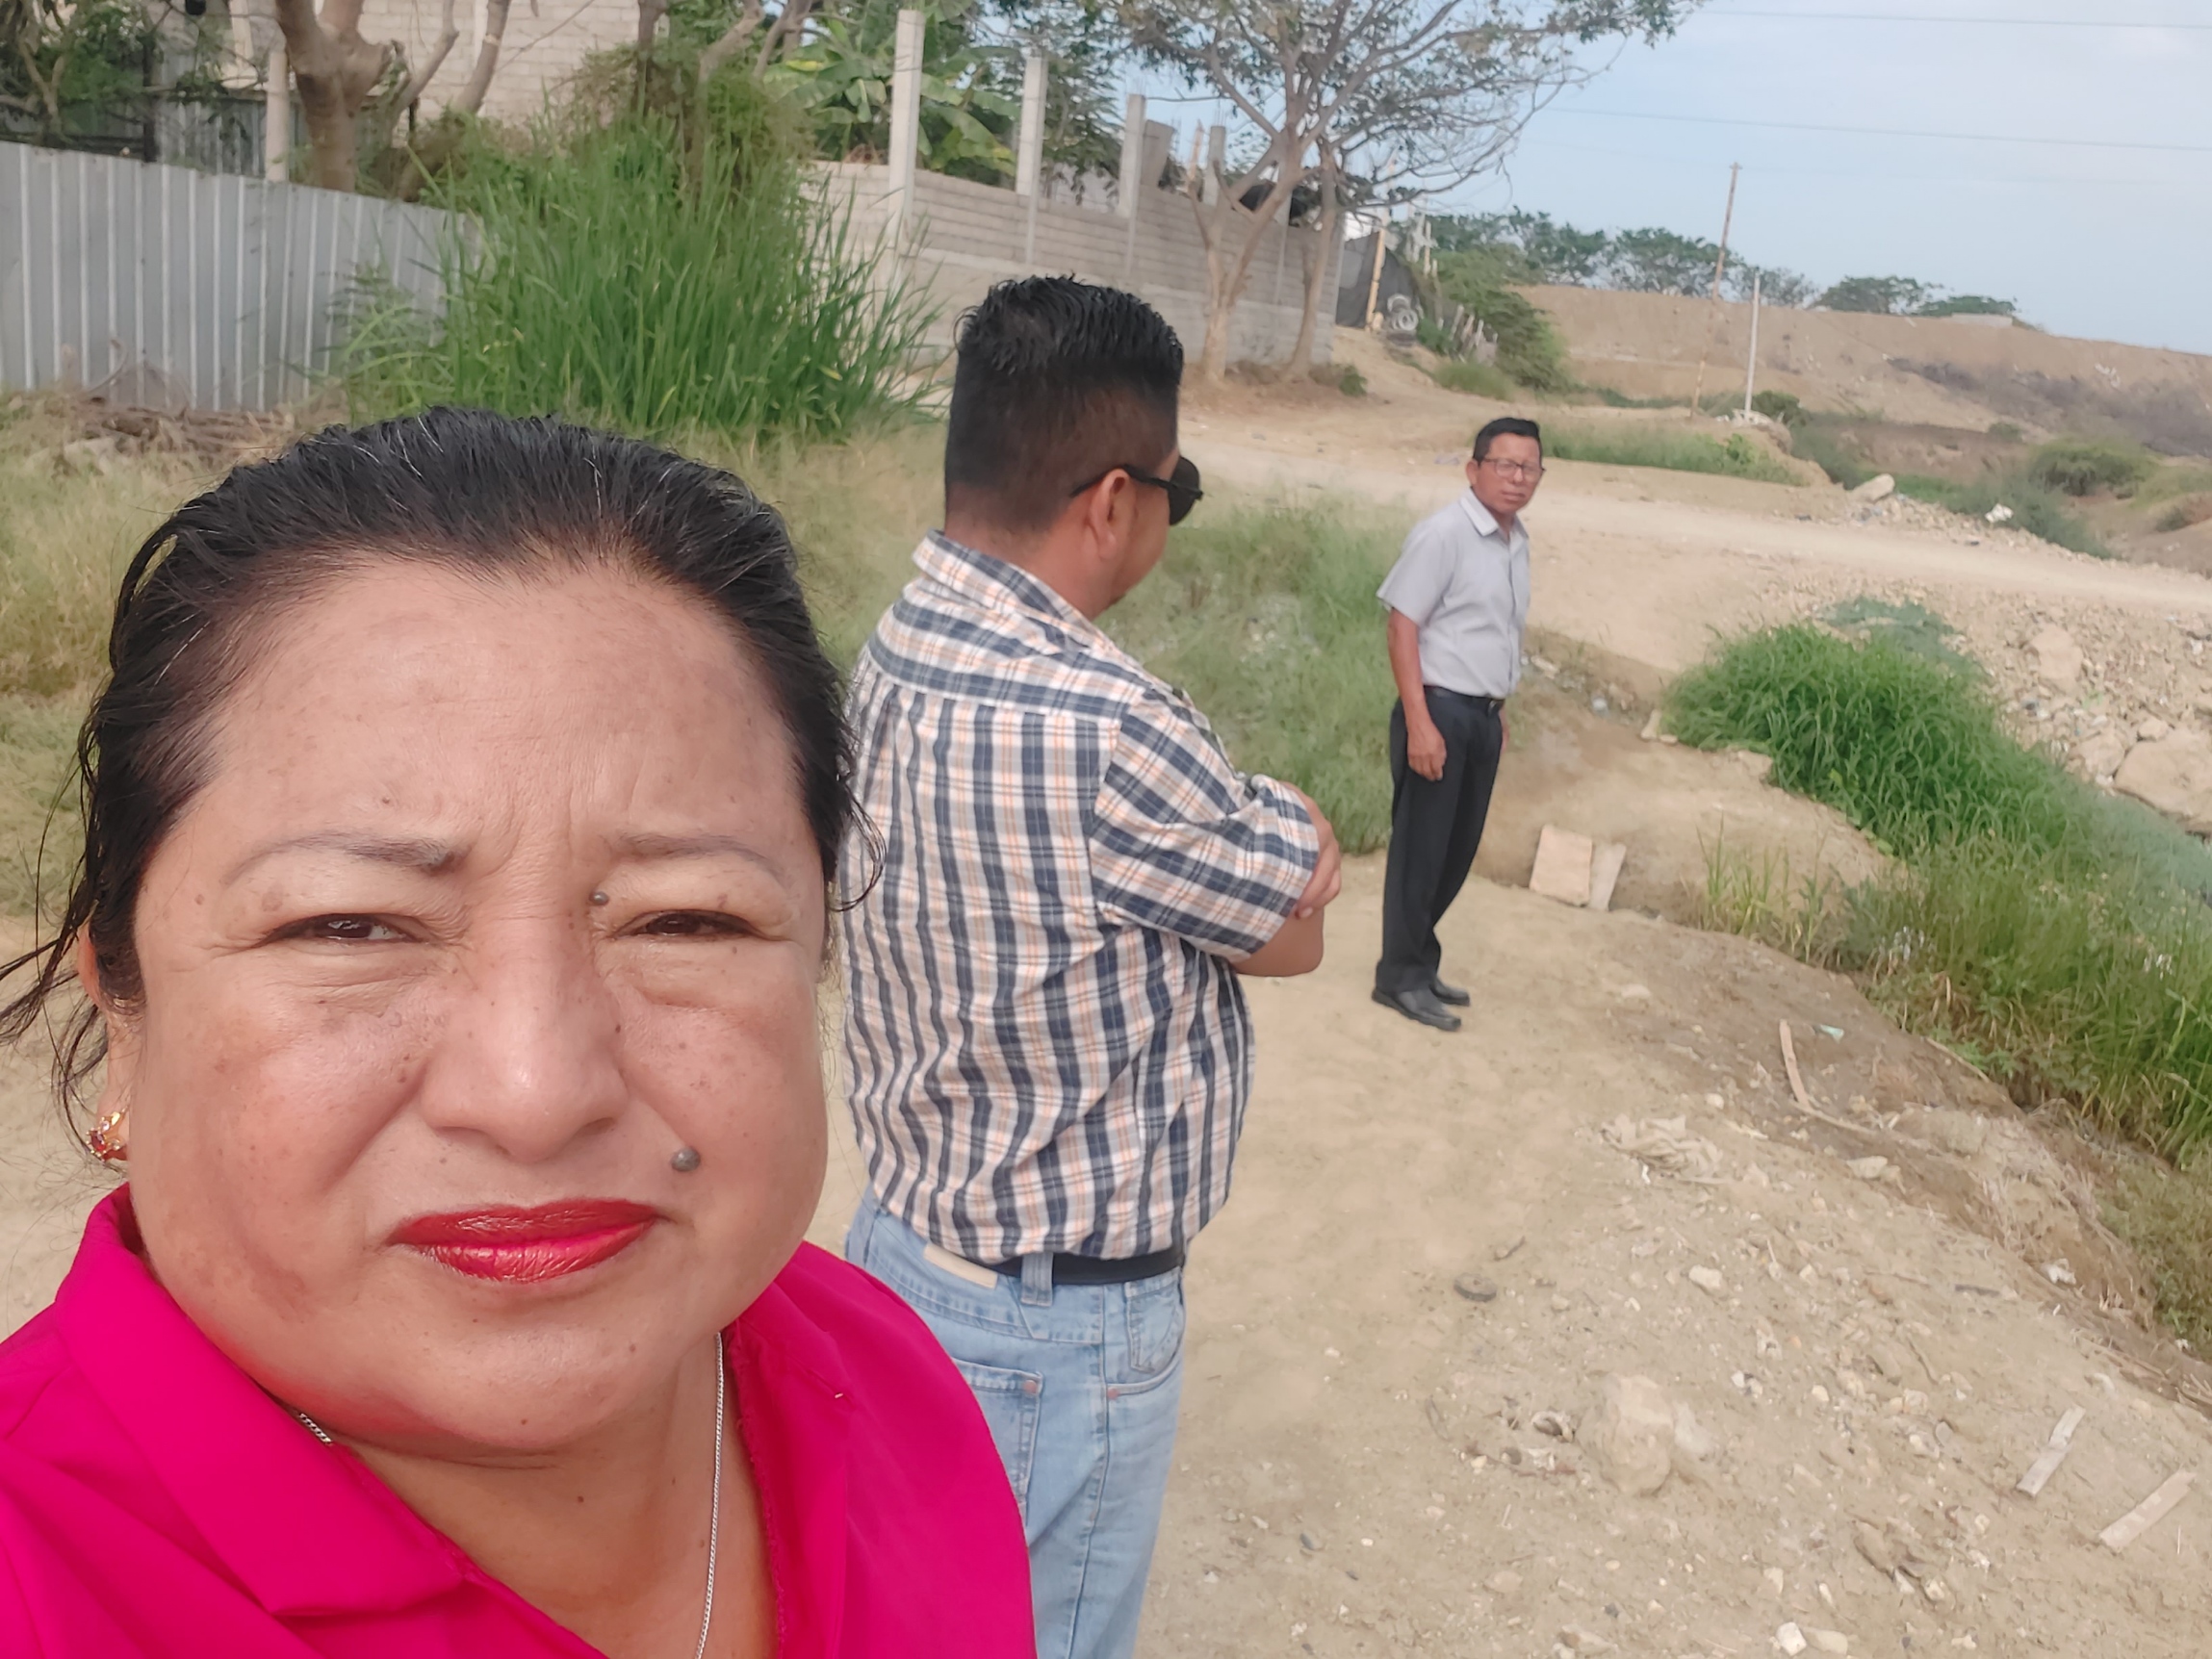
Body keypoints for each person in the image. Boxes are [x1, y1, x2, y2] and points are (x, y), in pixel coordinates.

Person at [0, 409, 1034, 1658]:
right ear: (120, 1002)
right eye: (351, 925)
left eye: (686, 920)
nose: (535, 1091)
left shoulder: (877, 1370)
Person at [838, 276, 1343, 1659]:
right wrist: (1289, 819)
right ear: (1113, 500)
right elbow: (1290, 932)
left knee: (908, 1615)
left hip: (900, 1248)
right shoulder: (1116, 727)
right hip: (1054, 1323)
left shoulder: (893, 647)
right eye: (1181, 489)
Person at [1371, 415, 1544, 1034]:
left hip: (1482, 716)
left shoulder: (1515, 541)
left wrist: (1499, 710)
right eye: (1505, 465)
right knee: (1421, 850)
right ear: (1474, 469)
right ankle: (1398, 978)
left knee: (1456, 850)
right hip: (1439, 710)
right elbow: (1402, 627)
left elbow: (1494, 633)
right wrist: (1420, 723)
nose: (1517, 478)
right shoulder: (1444, 535)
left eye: (1529, 468)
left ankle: (1420, 961)